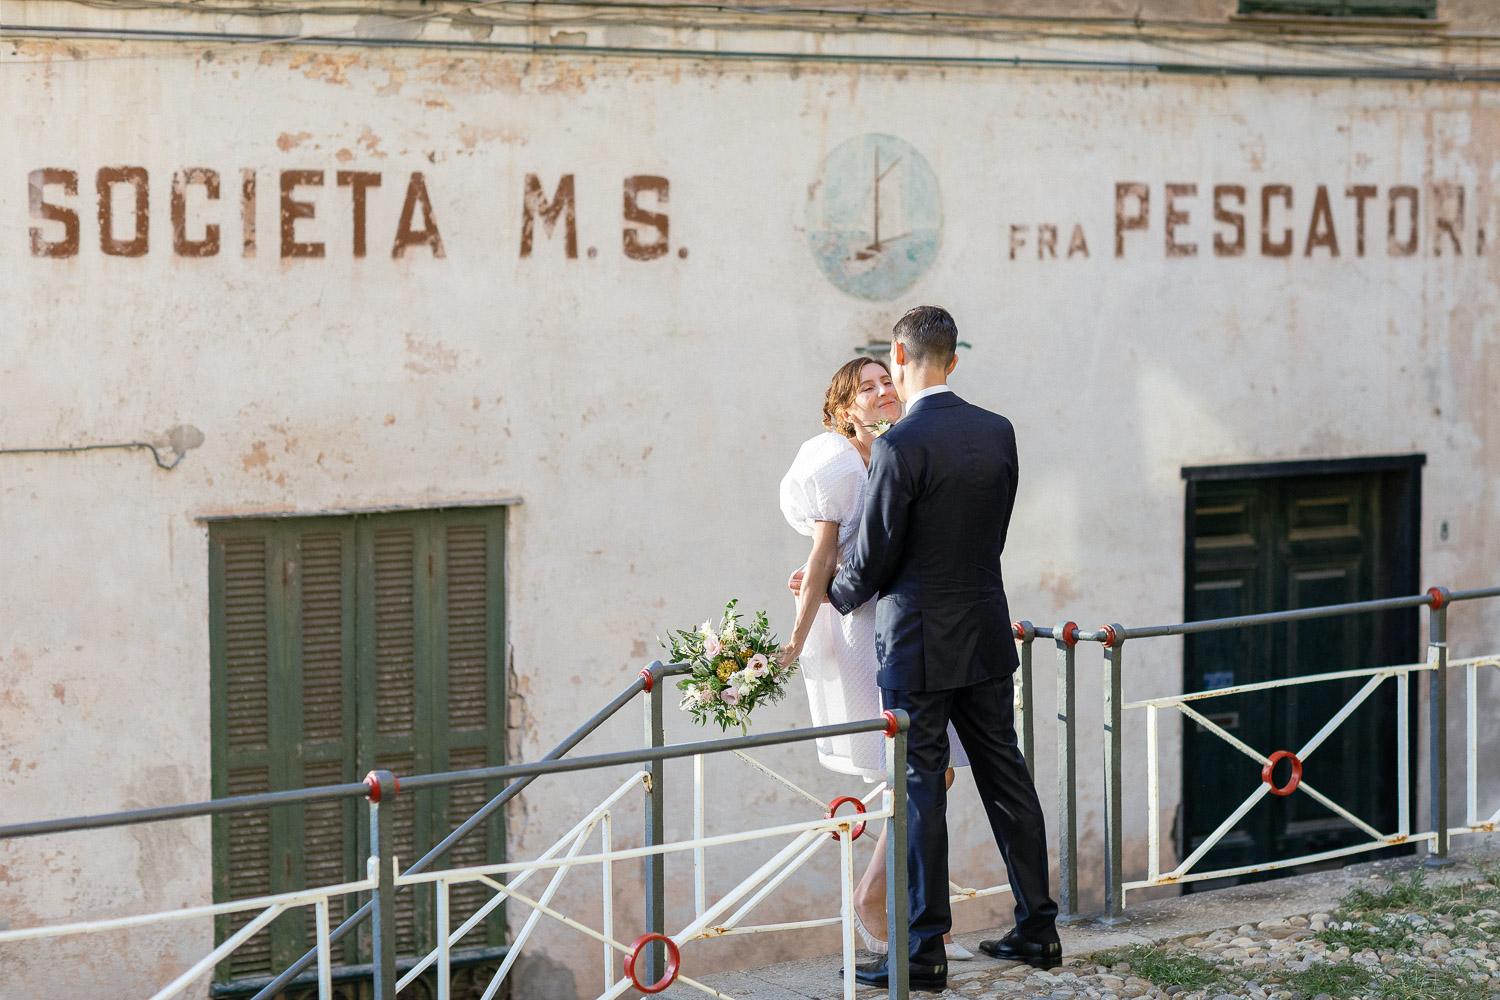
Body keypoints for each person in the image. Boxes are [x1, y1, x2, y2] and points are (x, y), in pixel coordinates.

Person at [801, 306, 1060, 992]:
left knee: (919, 790)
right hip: (983, 628)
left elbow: (878, 559)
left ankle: (922, 951)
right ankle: (1038, 928)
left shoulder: (898, 444)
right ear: (954, 358)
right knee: (1007, 777)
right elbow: (990, 536)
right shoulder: (998, 431)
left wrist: (832, 590)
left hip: (917, 640)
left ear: (899, 352)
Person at [777, 356, 973, 962]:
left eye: (886, 380)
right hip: (863, 630)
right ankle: (896, 913)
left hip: (899, 618)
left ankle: (901, 914)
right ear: (844, 409)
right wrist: (795, 637)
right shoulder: (835, 461)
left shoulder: (895, 447)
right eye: (867, 387)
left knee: (926, 768)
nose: (883, 389)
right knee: (917, 766)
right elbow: (821, 558)